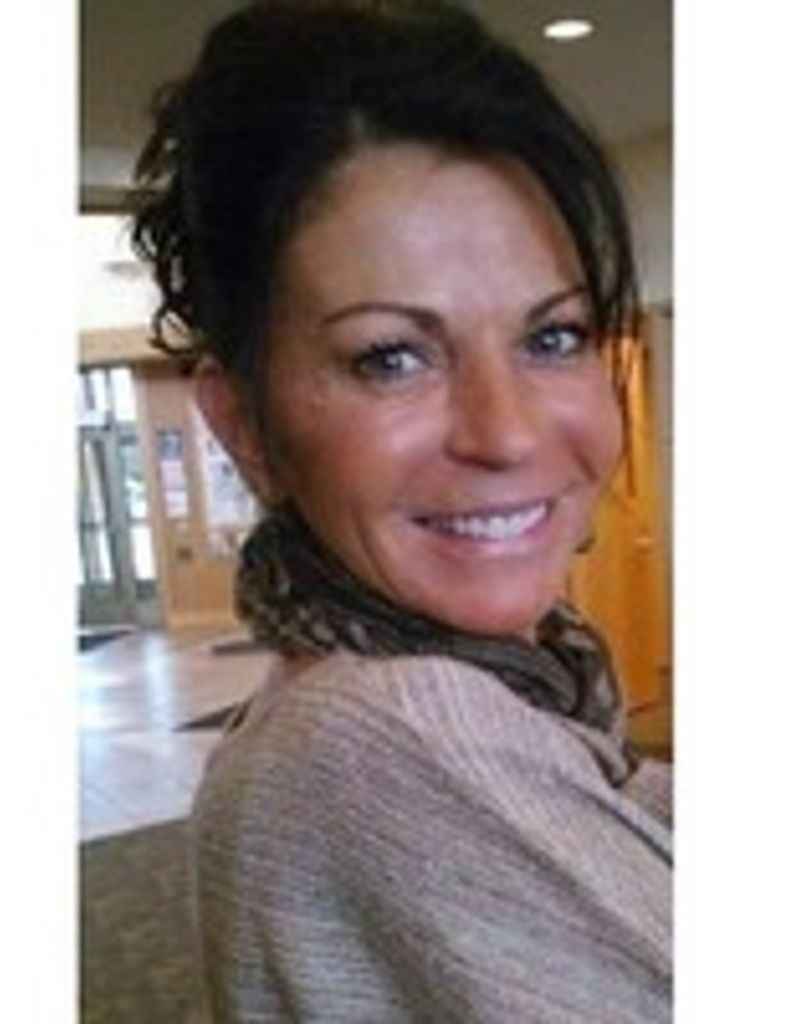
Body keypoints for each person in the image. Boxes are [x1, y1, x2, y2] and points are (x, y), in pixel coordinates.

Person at [132, 1, 671, 1020]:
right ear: (245, 425)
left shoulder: (504, 684)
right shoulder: (397, 734)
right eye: (391, 356)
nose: (505, 432)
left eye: (552, 337)